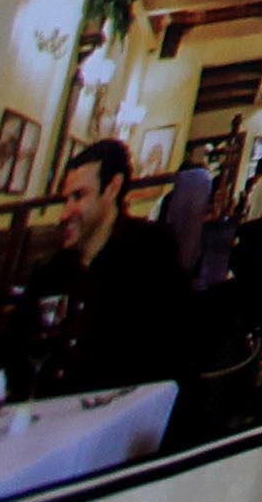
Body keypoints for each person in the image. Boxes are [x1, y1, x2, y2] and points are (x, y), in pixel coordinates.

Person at [24, 142, 193, 395]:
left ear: (112, 188)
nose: (63, 214)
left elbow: (174, 354)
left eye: (78, 196)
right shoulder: (49, 272)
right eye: (65, 200)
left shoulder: (151, 254)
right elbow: (16, 353)